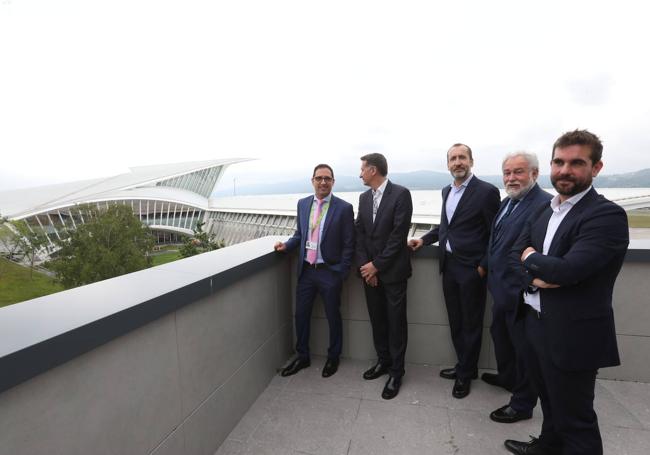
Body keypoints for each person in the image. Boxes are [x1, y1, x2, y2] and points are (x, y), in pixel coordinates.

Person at [505, 130, 629, 455]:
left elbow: (568, 270)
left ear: (596, 167)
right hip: (534, 322)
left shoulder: (606, 215)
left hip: (572, 332)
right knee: (548, 400)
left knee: (577, 419)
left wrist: (532, 258)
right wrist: (537, 275)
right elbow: (512, 255)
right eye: (559, 162)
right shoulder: (545, 209)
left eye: (576, 163)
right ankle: (547, 446)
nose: (564, 170)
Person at [409, 143, 500, 399]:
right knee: (456, 321)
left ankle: (465, 374)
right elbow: (446, 227)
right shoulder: (446, 190)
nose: (457, 162)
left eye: (462, 158)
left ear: (471, 161)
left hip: (472, 269)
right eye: (453, 159)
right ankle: (465, 366)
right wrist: (424, 240)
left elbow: (496, 234)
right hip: (448, 266)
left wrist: (483, 265)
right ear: (447, 164)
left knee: (471, 324)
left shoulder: (487, 192)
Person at [481, 152, 552, 423]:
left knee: (525, 352)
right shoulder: (507, 202)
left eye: (518, 172)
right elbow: (496, 240)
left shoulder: (544, 205)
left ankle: (522, 405)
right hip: (500, 290)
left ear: (534, 174)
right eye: (507, 172)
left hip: (521, 295)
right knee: (501, 337)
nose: (512, 178)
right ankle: (508, 378)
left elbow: (538, 252)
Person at [275, 164, 355, 378]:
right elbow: (300, 234)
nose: (323, 182)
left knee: (333, 317)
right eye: (319, 178)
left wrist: (342, 272)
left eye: (327, 178)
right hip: (307, 271)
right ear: (312, 181)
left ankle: (333, 357)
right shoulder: (303, 204)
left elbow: (349, 244)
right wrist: (286, 246)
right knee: (301, 315)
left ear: (333, 182)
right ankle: (303, 357)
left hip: (330, 272)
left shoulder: (344, 208)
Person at [355, 153, 413, 400]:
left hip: (393, 273)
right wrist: (365, 268)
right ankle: (383, 362)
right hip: (370, 274)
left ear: (373, 170)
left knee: (396, 323)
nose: (359, 174)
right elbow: (360, 234)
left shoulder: (401, 194)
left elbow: (398, 237)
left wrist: (376, 266)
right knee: (377, 320)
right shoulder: (363, 197)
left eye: (362, 169)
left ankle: (396, 373)